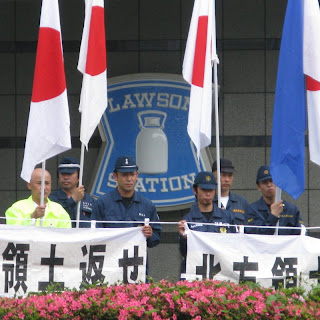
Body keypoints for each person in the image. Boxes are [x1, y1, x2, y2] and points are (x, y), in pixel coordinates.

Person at [91, 156, 161, 248]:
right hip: (110, 259)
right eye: (124, 175)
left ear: (136, 176)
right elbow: (93, 235)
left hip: (137, 261)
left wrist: (150, 235)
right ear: (115, 176)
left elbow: (156, 238)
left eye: (132, 174)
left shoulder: (147, 205)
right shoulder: (102, 203)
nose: (129, 179)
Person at [178, 171, 236, 278]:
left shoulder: (227, 217)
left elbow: (235, 247)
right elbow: (184, 253)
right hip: (196, 275)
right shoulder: (188, 220)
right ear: (195, 190)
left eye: (211, 190)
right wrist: (183, 237)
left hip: (222, 275)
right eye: (204, 190)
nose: (208, 194)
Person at [245, 165, 304, 235]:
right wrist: (273, 216)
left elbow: (301, 234)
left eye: (272, 181)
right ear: (258, 187)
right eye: (264, 182)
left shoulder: (291, 209)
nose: (269, 185)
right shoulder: (252, 210)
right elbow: (254, 233)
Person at [5, 168, 71, 228]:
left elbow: (66, 236)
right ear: (29, 185)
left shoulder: (59, 210)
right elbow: (13, 233)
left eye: (47, 183)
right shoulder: (16, 208)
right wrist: (32, 217)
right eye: (39, 183)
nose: (44, 188)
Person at [49, 157, 95, 228]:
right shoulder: (51, 199)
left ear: (79, 176)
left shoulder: (90, 200)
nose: (66, 177)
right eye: (63, 174)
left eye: (70, 174)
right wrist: (72, 200)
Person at [212, 158, 249, 225]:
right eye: (223, 175)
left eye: (230, 175)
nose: (227, 180)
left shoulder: (242, 202)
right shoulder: (207, 201)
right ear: (213, 175)